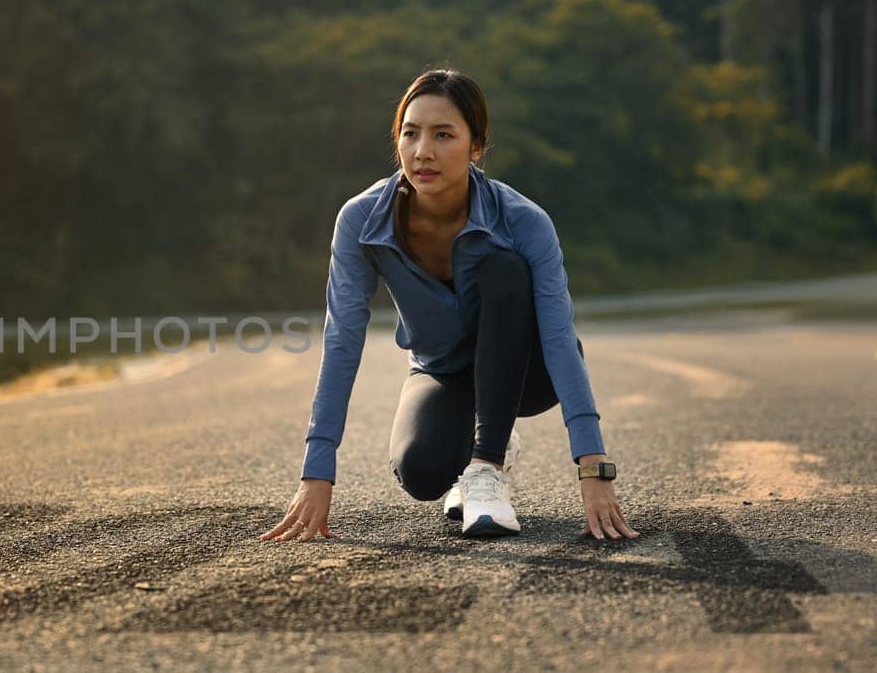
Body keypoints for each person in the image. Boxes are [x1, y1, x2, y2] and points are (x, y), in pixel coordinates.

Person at [259, 68, 639, 542]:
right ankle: (481, 448)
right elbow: (341, 340)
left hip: (526, 371)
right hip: (442, 370)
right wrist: (317, 472)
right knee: (422, 473)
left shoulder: (524, 220)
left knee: (504, 268)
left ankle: (487, 463)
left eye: (444, 135)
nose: (423, 152)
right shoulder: (360, 220)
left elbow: (560, 338)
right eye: (411, 134)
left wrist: (593, 469)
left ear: (476, 147)